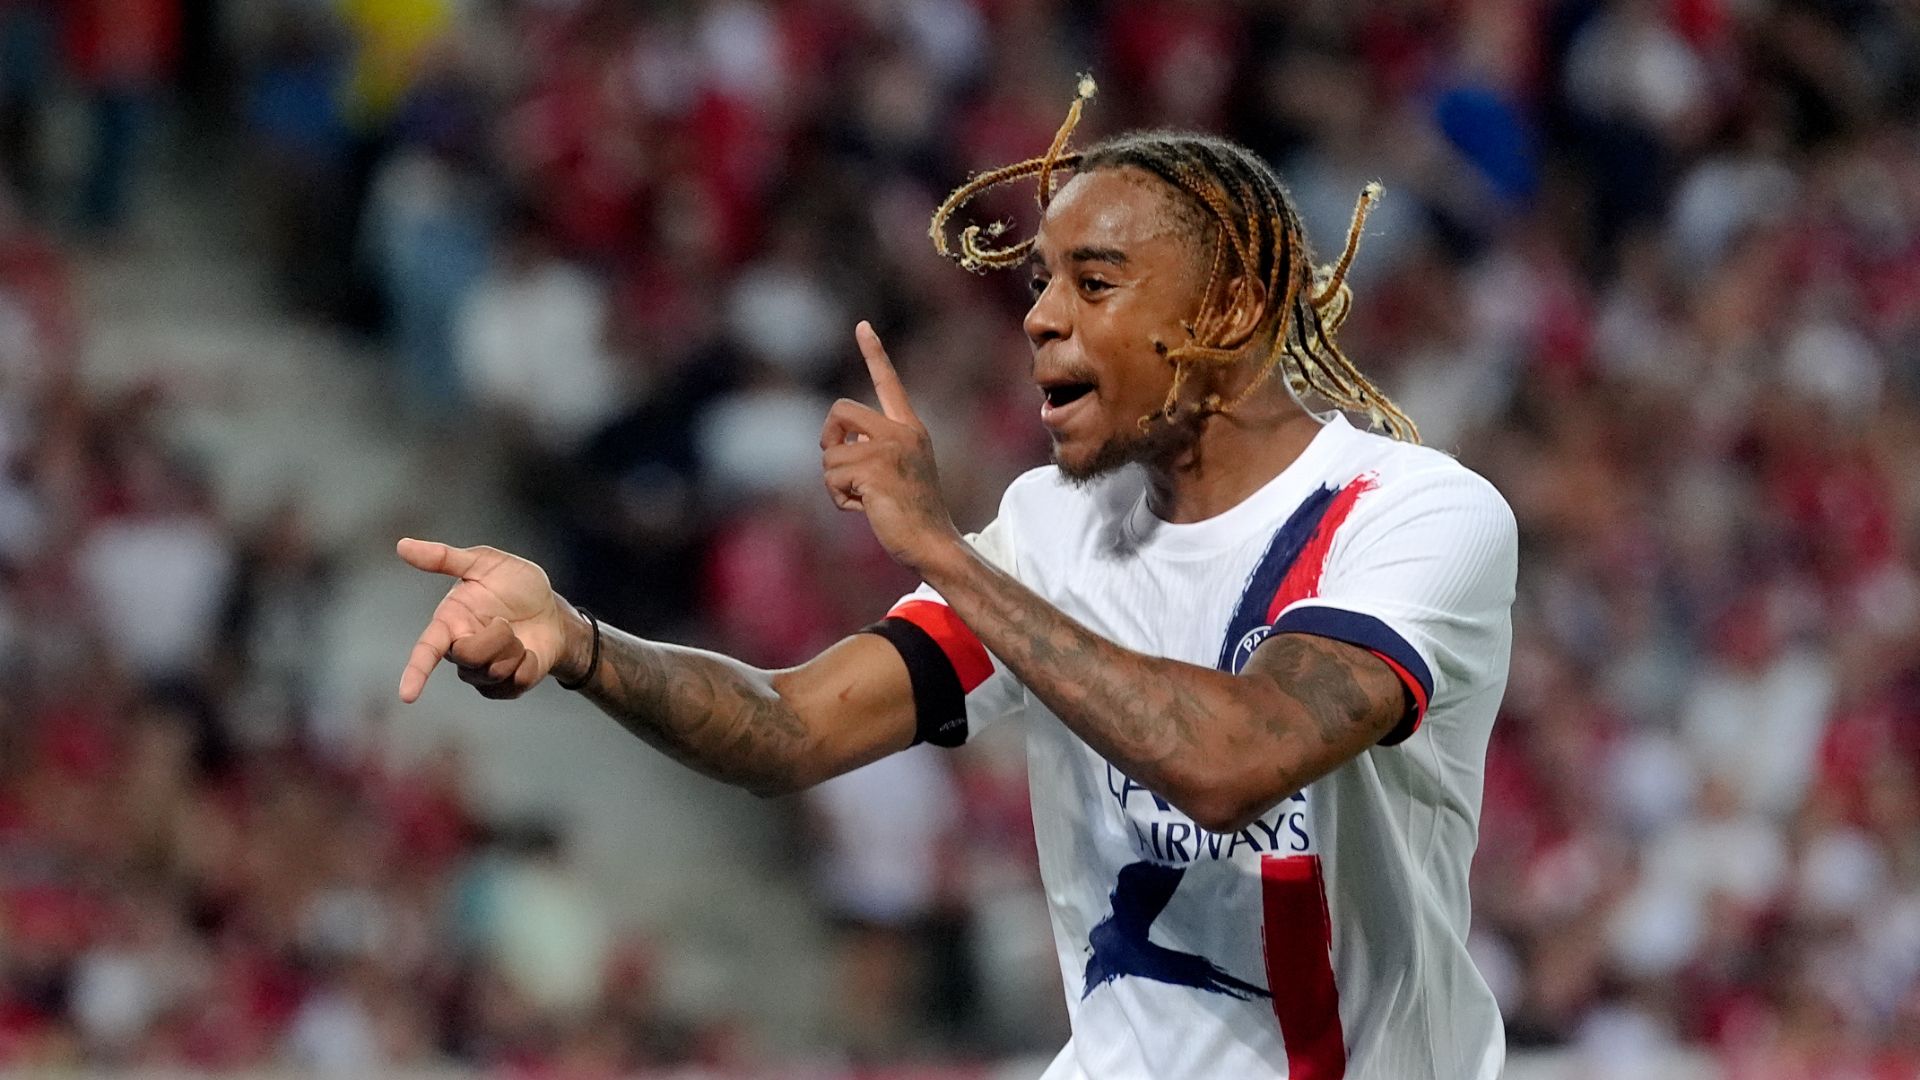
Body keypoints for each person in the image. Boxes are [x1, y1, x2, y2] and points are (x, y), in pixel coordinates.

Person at [396, 81, 1517, 1080]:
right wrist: (582, 642)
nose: (1039, 316)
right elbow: (791, 728)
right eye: (1039, 282)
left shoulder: (1418, 516)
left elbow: (1234, 763)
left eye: (1093, 281)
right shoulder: (1050, 530)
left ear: (1225, 311)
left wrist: (941, 552)